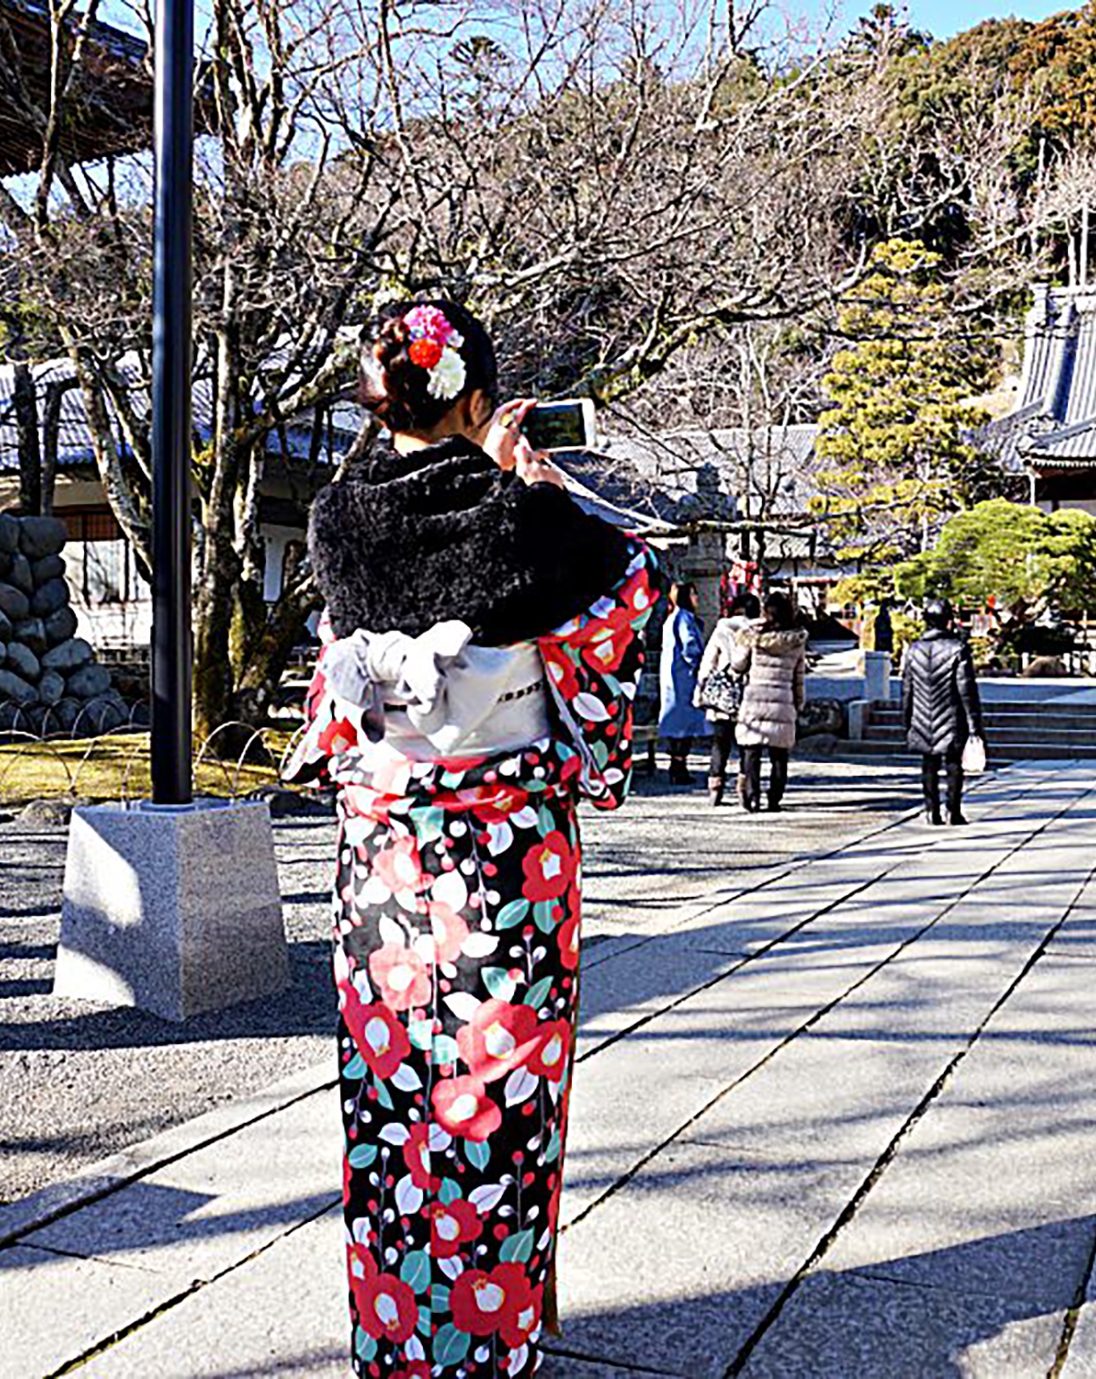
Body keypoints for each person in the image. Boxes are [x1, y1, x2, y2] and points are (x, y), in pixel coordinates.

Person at [288, 299, 655, 1379]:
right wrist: (524, 474)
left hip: (385, 862)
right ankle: (491, 1334)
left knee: (394, 1093)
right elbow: (629, 591)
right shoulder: (523, 519)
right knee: (497, 1097)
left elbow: (372, 553)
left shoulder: (333, 521)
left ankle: (397, 1334)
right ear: (481, 400)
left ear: (378, 399)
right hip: (507, 860)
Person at [901, 598, 984, 825]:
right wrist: (974, 723)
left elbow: (907, 689)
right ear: (948, 621)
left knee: (928, 762)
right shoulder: (958, 649)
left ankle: (931, 811)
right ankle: (953, 811)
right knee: (953, 763)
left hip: (922, 714)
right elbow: (966, 690)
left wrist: (907, 719)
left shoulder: (913, 650)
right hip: (951, 714)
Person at [732, 589, 809, 812]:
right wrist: (799, 703)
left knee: (751, 751)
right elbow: (799, 678)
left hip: (755, 698)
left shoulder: (754, 637)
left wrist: (743, 642)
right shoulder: (796, 640)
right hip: (783, 700)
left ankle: (751, 796)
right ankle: (774, 798)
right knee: (779, 755)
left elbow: (738, 665)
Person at [695, 590, 760, 804]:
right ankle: (744, 788)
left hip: (722, 696)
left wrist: (701, 690)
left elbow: (708, 662)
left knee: (719, 743)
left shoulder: (721, 629)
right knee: (747, 746)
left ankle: (715, 787)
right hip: (748, 694)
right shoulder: (757, 631)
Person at [658, 579, 709, 784]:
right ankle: (679, 769)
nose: (697, 599)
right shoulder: (685, 618)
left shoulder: (671, 618)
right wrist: (700, 665)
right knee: (684, 727)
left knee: (675, 726)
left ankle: (676, 766)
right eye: (694, 594)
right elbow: (690, 647)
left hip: (671, 678)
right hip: (684, 678)